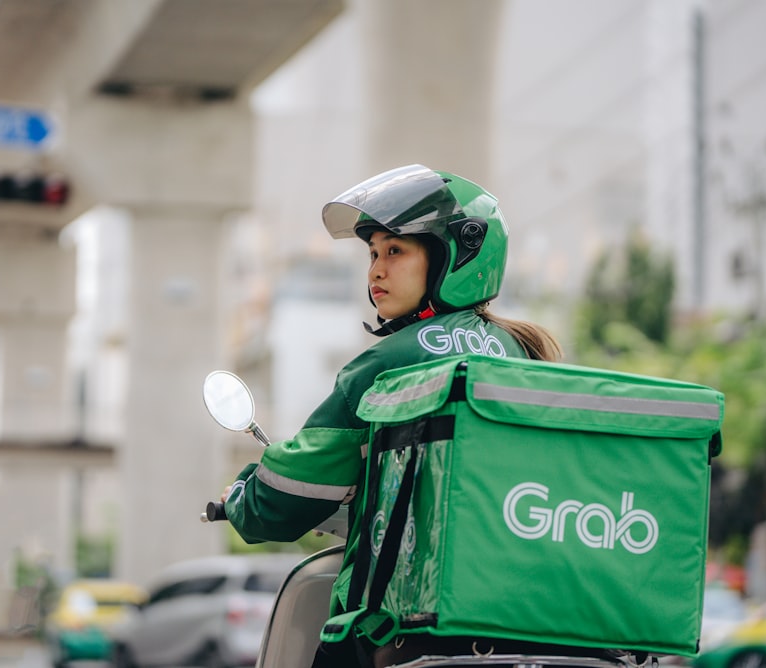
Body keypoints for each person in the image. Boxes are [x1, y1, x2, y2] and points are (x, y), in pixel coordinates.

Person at [221, 163, 562, 667]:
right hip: (521, 613)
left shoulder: (390, 360)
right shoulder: (525, 353)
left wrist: (242, 495)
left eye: (396, 251)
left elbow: (283, 498)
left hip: (406, 622)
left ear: (457, 253)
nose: (376, 270)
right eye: (374, 253)